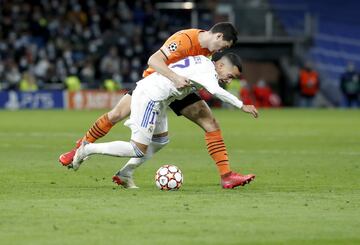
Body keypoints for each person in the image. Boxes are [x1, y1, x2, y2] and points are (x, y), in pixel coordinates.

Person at [59, 22, 249, 188]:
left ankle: (226, 176)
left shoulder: (210, 52)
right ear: (218, 36)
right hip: (158, 82)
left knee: (209, 123)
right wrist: (174, 77)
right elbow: (153, 60)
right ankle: (81, 147)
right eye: (224, 45)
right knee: (117, 114)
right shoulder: (184, 39)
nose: (221, 50)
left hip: (178, 89)